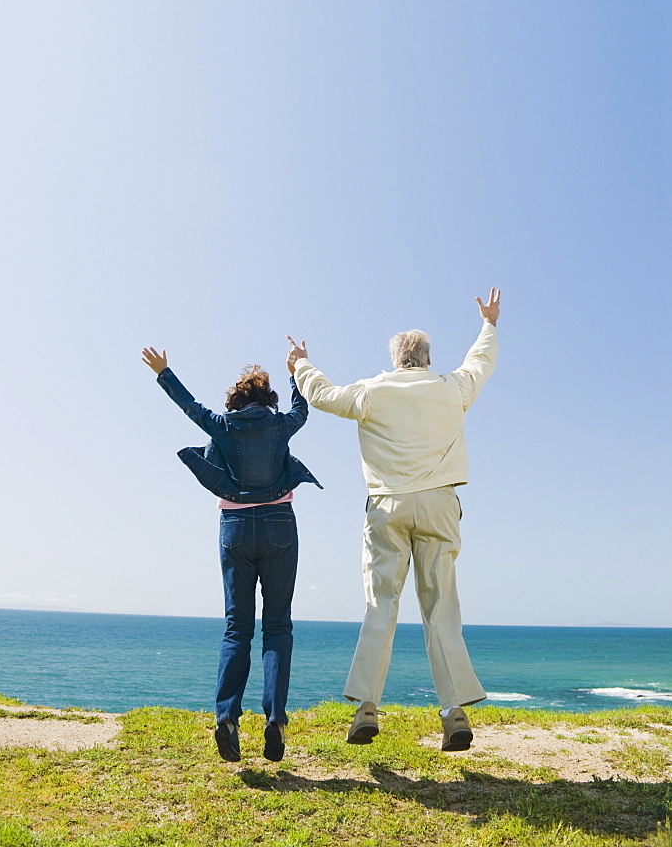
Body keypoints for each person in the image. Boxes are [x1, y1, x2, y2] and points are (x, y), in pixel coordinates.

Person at [286, 288, 500, 752]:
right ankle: (454, 711)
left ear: (396, 358)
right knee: (441, 606)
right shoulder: (451, 387)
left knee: (380, 605)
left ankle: (366, 708)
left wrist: (301, 362)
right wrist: (488, 323)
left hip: (386, 505)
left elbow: (322, 395)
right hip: (439, 504)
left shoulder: (371, 390)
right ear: (426, 358)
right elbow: (480, 362)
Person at [142, 347, 321, 763]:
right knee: (277, 627)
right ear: (266, 400)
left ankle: (227, 718)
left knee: (237, 628)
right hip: (279, 524)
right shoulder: (281, 426)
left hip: (235, 530)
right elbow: (302, 410)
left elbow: (190, 408)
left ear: (235, 402)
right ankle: (275, 719)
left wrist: (164, 372)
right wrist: (296, 372)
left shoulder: (221, 426)